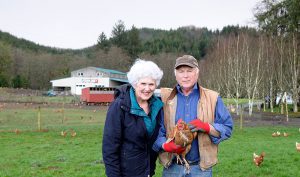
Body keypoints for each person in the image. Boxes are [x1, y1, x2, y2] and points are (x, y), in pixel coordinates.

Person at [153, 55, 233, 177]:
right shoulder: (165, 98)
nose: (185, 75)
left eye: (189, 71)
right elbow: (156, 130)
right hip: (172, 168)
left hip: (201, 169)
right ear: (176, 75)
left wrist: (207, 127)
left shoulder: (213, 98)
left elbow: (227, 128)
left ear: (197, 73)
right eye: (181, 71)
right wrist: (164, 145)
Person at [102, 59, 164, 177]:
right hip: (125, 173)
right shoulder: (120, 106)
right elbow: (109, 149)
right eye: (143, 84)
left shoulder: (157, 106)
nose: (147, 88)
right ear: (135, 83)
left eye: (151, 84)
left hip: (147, 172)